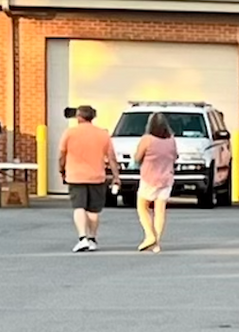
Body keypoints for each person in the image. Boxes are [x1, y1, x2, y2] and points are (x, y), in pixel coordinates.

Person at [58, 104, 120, 252]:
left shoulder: (70, 133)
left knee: (79, 207)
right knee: (94, 210)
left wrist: (61, 170)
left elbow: (62, 155)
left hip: (75, 175)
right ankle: (92, 238)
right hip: (96, 176)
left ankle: (82, 237)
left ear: (79, 117)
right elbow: (111, 158)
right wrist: (116, 176)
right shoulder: (102, 134)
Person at [131, 112, 177, 252]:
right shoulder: (171, 140)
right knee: (160, 210)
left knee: (142, 207)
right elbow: (175, 157)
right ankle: (156, 243)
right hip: (167, 178)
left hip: (149, 178)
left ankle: (150, 235)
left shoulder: (147, 139)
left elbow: (137, 157)